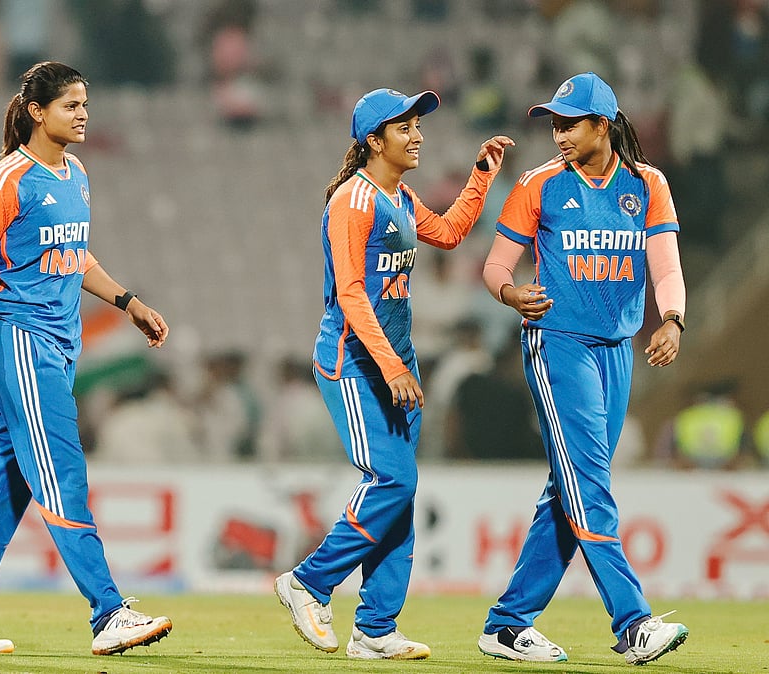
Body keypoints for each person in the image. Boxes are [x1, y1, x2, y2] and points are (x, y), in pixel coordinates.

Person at [0, 61, 172, 657]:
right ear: (38, 111)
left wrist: (127, 300)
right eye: (71, 105)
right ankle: (108, 612)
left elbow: (73, 254)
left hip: (59, 342)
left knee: (5, 483)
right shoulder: (5, 181)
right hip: (20, 339)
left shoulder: (75, 173)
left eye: (86, 104)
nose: (83, 114)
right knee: (61, 471)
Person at [274, 87, 513, 661]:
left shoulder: (399, 196)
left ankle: (376, 629)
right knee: (393, 483)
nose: (418, 135)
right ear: (372, 141)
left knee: (401, 493)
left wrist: (480, 177)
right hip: (354, 364)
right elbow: (352, 294)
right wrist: (391, 366)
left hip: (392, 364)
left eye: (418, 125)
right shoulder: (353, 202)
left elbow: (451, 232)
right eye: (404, 127)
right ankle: (308, 582)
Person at [476, 72, 689, 666]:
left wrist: (671, 319)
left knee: (568, 489)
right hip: (558, 344)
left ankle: (507, 624)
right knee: (588, 483)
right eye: (554, 123)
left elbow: (666, 269)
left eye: (570, 123)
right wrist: (511, 294)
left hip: (616, 350)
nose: (559, 133)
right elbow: (496, 267)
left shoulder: (648, 185)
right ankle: (633, 622)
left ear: (605, 125)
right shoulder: (539, 184)